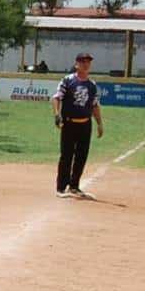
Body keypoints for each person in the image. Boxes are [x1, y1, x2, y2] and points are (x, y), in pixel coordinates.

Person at [51, 52, 104, 199]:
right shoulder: (68, 81)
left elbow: (94, 105)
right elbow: (56, 98)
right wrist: (57, 115)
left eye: (88, 62)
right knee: (66, 155)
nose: (86, 64)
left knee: (81, 156)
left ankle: (74, 186)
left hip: (85, 124)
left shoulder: (92, 85)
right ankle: (61, 188)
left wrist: (99, 123)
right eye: (82, 62)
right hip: (69, 123)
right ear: (76, 64)